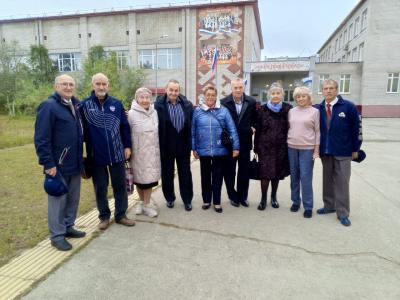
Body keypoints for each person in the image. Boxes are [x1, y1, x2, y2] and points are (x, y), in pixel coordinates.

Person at [34, 74, 85, 251]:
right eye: (64, 84)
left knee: (73, 198)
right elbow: (41, 139)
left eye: (71, 84)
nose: (69, 87)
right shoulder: (49, 107)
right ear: (56, 86)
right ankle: (56, 236)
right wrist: (48, 164)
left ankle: (68, 226)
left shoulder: (75, 105)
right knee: (58, 201)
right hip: (57, 166)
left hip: (75, 163)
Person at [80, 73, 135, 230]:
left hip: (117, 154)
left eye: (104, 84)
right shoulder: (84, 105)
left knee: (120, 187)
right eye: (98, 84)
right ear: (93, 85)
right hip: (96, 156)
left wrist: (127, 146)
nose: (101, 87)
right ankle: (104, 217)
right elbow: (80, 131)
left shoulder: (116, 104)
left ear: (108, 85)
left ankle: (121, 215)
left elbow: (124, 127)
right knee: (100, 188)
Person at [316, 79, 362, 226]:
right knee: (327, 180)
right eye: (325, 88)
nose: (328, 91)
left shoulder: (348, 107)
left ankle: (342, 212)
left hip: (343, 150)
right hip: (326, 150)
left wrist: (355, 148)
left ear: (337, 90)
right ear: (322, 91)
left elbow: (358, 129)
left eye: (331, 88)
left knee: (342, 182)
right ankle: (329, 206)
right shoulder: (319, 108)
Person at [192, 85, 240, 213]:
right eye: (208, 95)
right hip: (203, 150)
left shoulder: (223, 111)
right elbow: (193, 131)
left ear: (216, 96)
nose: (210, 97)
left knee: (217, 177)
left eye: (213, 95)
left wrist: (236, 147)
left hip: (220, 150)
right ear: (204, 95)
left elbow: (232, 129)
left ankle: (217, 202)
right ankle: (206, 200)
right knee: (205, 177)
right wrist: (194, 148)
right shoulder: (197, 111)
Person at [154, 79, 194, 211]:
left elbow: (192, 125)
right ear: (166, 90)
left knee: (185, 174)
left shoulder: (187, 105)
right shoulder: (158, 105)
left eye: (176, 90)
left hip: (183, 146)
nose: (173, 92)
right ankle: (170, 198)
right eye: (171, 90)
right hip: (166, 145)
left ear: (179, 91)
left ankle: (187, 200)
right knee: (167, 174)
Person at [254, 82, 292, 210]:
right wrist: (256, 147)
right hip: (265, 147)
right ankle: (263, 199)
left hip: (281, 147)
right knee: (265, 174)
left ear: (282, 94)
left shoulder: (288, 109)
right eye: (273, 93)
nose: (275, 95)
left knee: (276, 174)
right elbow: (258, 130)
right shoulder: (262, 109)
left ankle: (273, 197)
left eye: (278, 93)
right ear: (269, 95)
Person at [221, 78, 257, 207]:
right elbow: (221, 121)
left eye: (240, 87)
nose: (238, 90)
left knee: (244, 171)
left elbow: (255, 118)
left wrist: (253, 126)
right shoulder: (223, 102)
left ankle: (243, 196)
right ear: (231, 88)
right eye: (235, 87)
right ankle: (232, 196)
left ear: (243, 88)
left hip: (245, 142)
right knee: (230, 172)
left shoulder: (251, 102)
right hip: (229, 144)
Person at [287, 86, 320, 218]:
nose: (300, 98)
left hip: (307, 149)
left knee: (305, 178)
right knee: (294, 177)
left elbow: (318, 131)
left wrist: (316, 150)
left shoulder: (315, 112)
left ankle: (308, 206)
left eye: (303, 96)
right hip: (291, 147)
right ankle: (295, 202)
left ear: (308, 97)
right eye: (298, 96)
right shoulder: (291, 111)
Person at [128, 87, 161, 218]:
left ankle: (147, 204)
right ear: (137, 99)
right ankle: (142, 203)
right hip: (138, 153)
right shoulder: (131, 113)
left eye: (147, 97)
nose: (145, 100)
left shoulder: (155, 113)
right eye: (142, 97)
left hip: (152, 153)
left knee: (148, 181)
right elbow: (127, 132)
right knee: (139, 180)